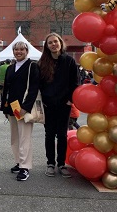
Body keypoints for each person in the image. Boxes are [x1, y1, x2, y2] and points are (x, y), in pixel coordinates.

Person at [38, 33, 79, 178]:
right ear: (47, 46)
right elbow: (39, 84)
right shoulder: (42, 62)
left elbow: (75, 82)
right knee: (49, 134)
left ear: (60, 43)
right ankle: (50, 163)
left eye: (55, 41)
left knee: (62, 135)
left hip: (64, 104)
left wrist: (70, 99)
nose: (53, 44)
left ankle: (61, 163)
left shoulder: (69, 61)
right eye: (50, 43)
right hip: (48, 105)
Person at [0, 41, 39, 181]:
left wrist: (26, 107)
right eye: (16, 49)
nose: (19, 52)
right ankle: (18, 161)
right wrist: (5, 107)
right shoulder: (10, 68)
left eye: (22, 49)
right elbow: (7, 88)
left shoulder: (32, 66)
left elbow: (34, 89)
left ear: (27, 51)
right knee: (15, 138)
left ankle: (25, 167)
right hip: (12, 107)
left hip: (23, 108)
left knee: (24, 138)